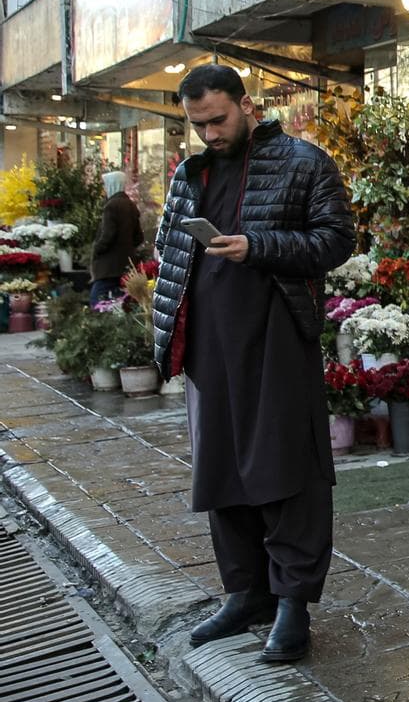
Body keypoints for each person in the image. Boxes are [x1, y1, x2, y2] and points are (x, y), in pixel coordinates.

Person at [152, 65, 354, 663]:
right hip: (208, 347)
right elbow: (168, 247)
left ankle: (293, 603)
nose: (210, 133)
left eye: (218, 119)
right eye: (198, 125)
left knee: (286, 469)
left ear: (247, 103)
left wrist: (258, 247)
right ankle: (247, 593)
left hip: (277, 339)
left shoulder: (303, 162)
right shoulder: (190, 173)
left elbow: (337, 240)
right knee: (220, 471)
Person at [89, 170, 144, 305]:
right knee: (121, 299)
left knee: (97, 297)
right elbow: (139, 237)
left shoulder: (111, 206)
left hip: (108, 265)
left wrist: (96, 249)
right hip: (126, 263)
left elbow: (108, 235)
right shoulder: (130, 205)